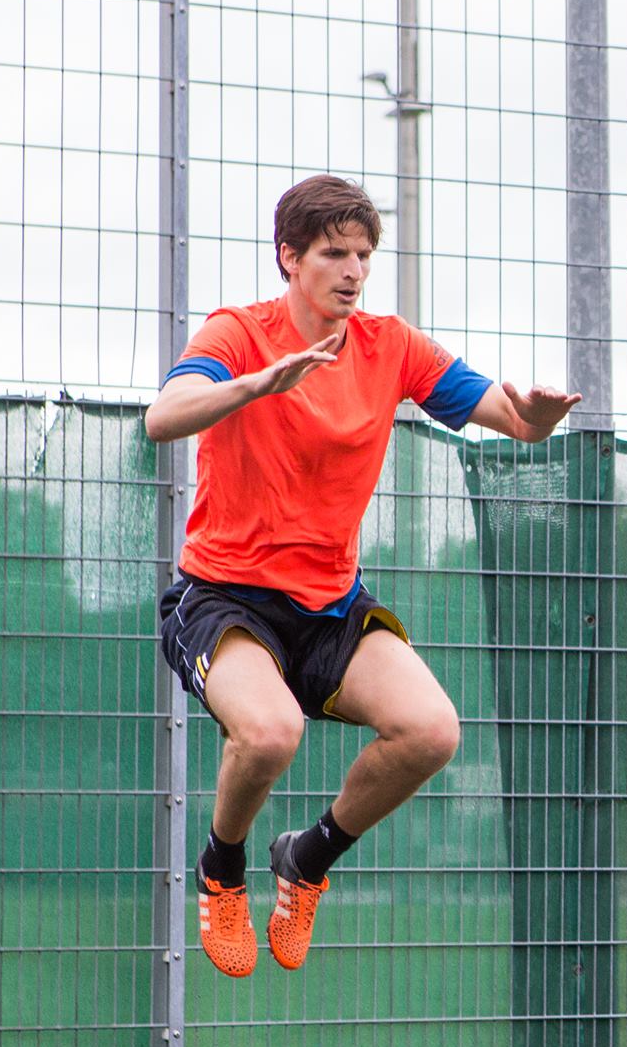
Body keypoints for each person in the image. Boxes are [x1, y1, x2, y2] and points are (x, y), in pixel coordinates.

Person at [146, 174, 581, 976]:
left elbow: (511, 417)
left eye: (364, 254)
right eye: (332, 253)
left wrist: (536, 420)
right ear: (289, 257)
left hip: (331, 605)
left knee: (432, 731)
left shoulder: (392, 347)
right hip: (224, 595)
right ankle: (221, 867)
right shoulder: (239, 332)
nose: (352, 270)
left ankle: (307, 858)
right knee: (273, 731)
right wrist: (252, 386)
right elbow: (163, 416)